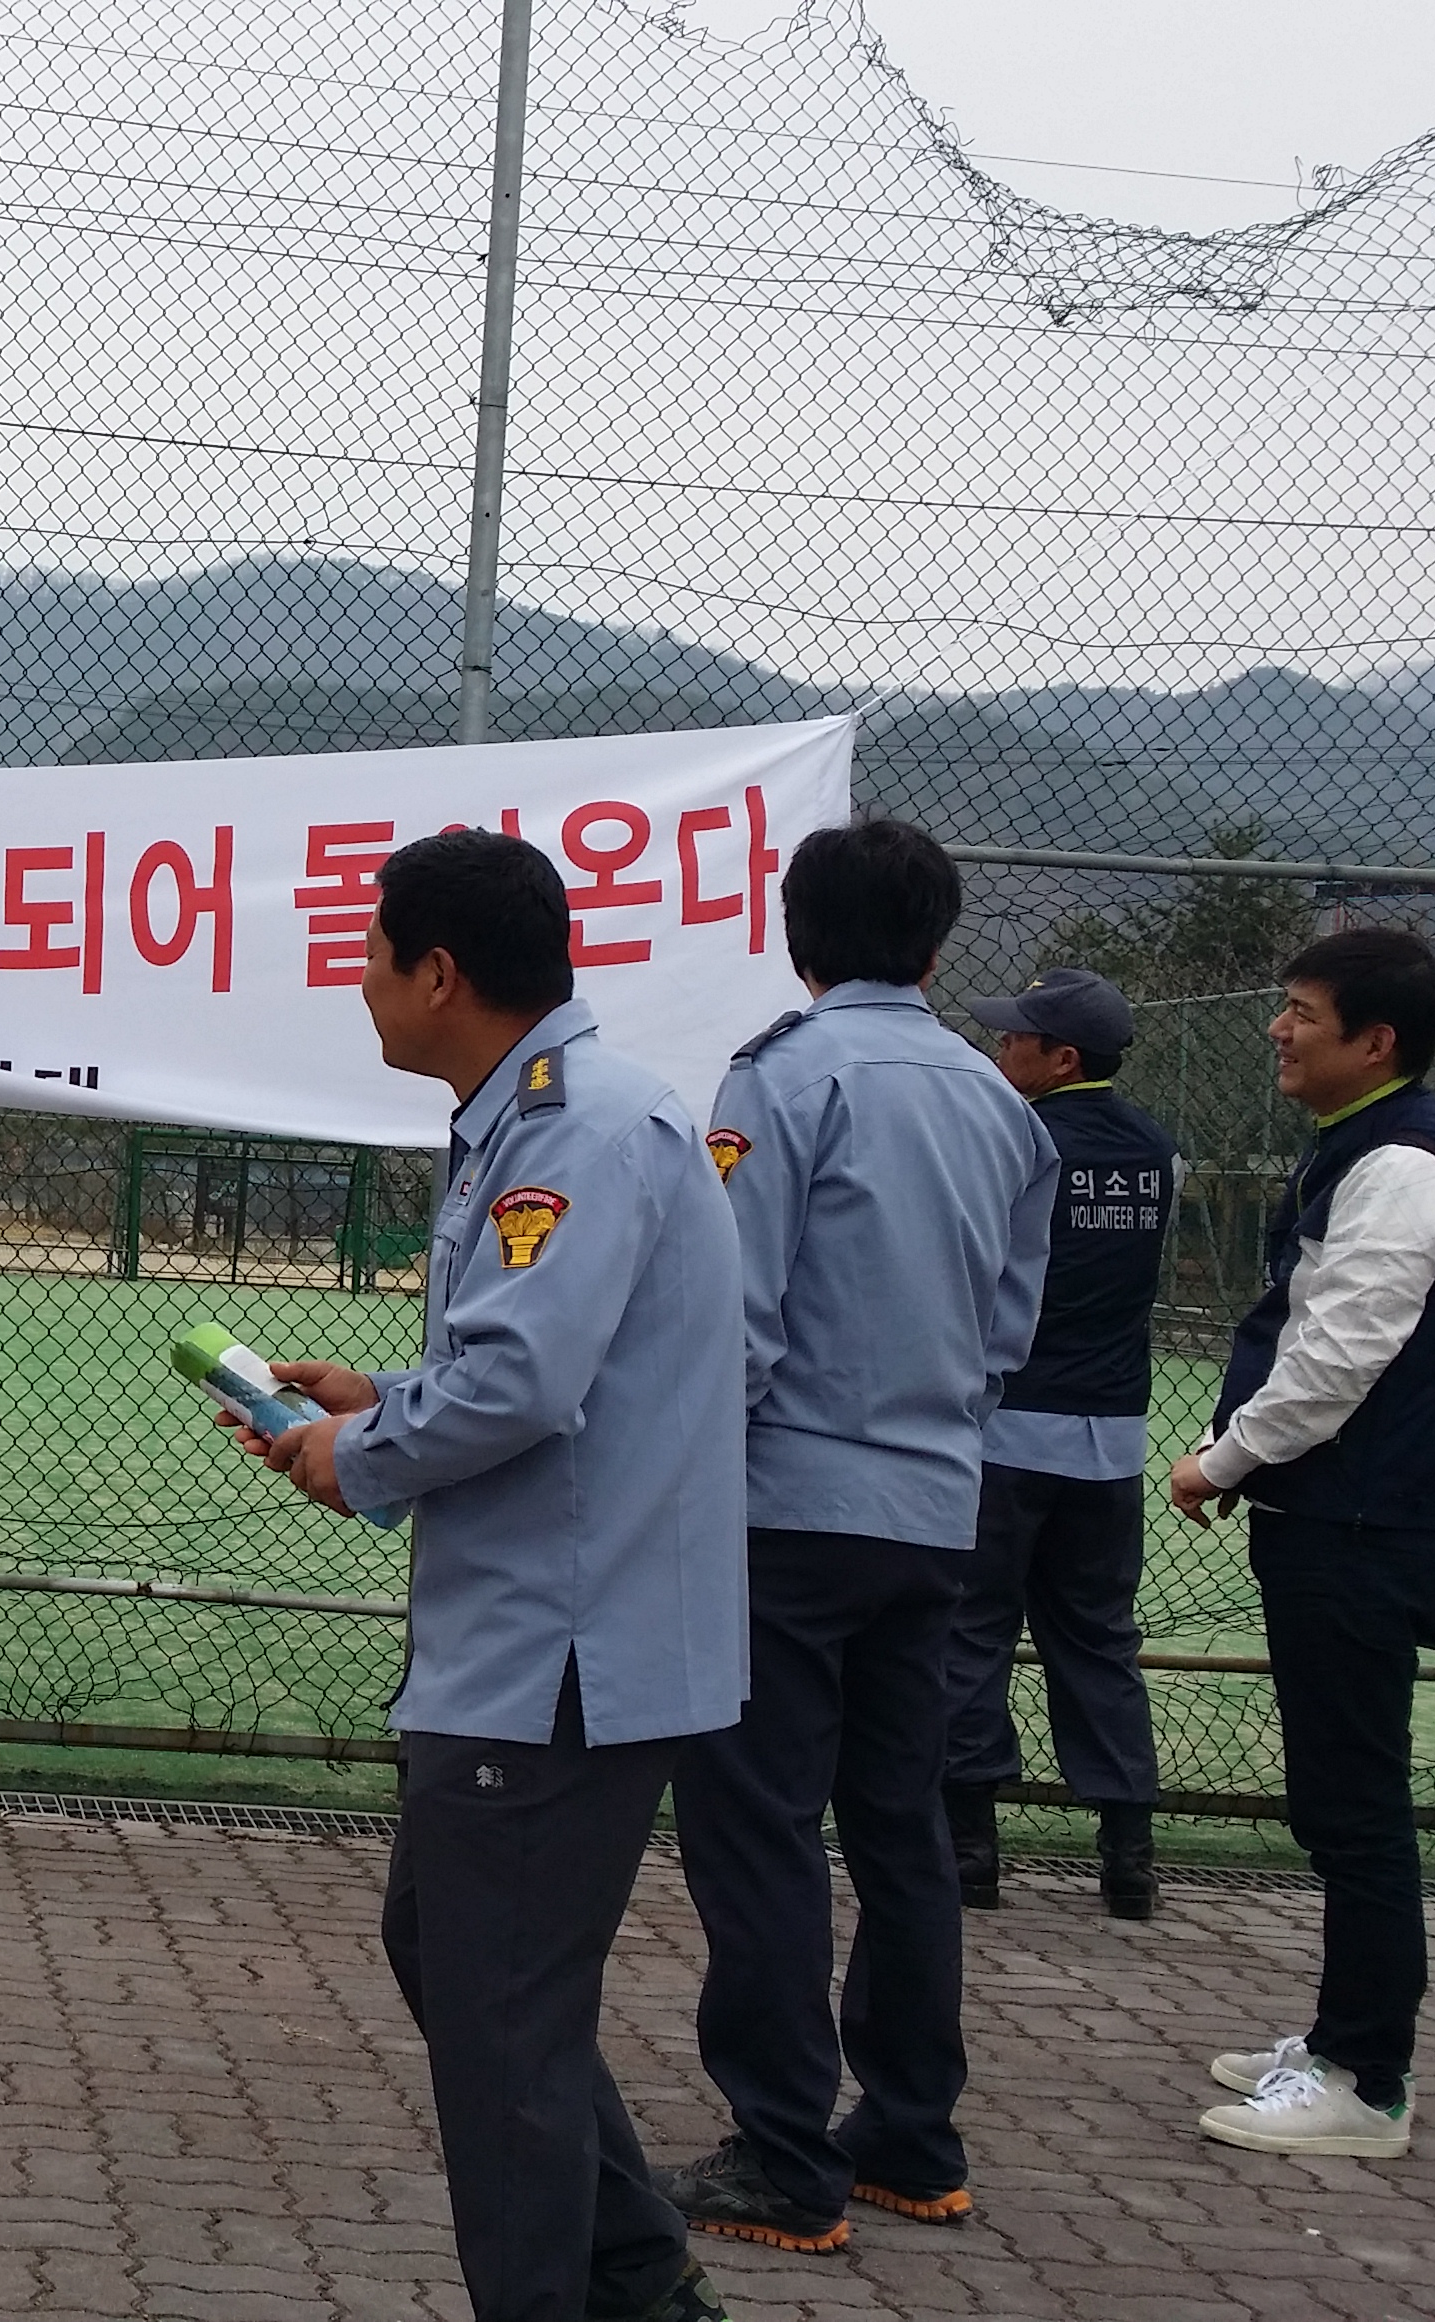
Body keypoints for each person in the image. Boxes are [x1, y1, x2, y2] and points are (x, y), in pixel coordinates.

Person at [227, 829, 739, 2322]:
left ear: (439, 973)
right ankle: (639, 2278)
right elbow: (541, 1367)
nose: (361, 982)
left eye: (371, 955)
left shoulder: (578, 1129)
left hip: (564, 1652)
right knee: (462, 1962)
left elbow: (520, 1384)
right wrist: (382, 1398)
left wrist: (360, 1456)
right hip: (540, 1639)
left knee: (500, 2011)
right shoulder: (531, 1120)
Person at [663, 818, 1054, 2255]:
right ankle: (908, 2135)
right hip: (936, 1510)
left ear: (795, 939)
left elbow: (735, 1315)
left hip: (788, 1510)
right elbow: (1007, 1326)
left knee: (759, 1823)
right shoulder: (1001, 1102)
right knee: (901, 1827)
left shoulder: (781, 1077)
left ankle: (782, 2152)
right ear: (938, 950)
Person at [1170, 927, 1435, 2161]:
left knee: (1355, 1807)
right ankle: (1341, 2039)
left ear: (1377, 1040)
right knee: (1337, 1797)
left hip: (1361, 1525)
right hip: (1333, 1519)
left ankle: (1367, 2078)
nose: (1279, 1029)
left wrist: (1223, 1459)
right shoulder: (1361, 1148)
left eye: (1302, 1011)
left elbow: (1338, 1354)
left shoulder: (1403, 1165)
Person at [944, 969, 1175, 1920]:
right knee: (1099, 1641)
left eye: (1018, 1039)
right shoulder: (1155, 1149)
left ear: (1062, 1059)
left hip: (1009, 1431)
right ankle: (1129, 1859)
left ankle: (970, 1848)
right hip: (1111, 1440)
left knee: (972, 1631)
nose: (1003, 1050)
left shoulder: (1017, 1137)